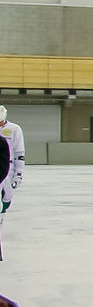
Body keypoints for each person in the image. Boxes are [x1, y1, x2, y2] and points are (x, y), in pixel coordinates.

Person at [0, 106, 22, 261]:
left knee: (7, 198)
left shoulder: (14, 130)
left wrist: (18, 174)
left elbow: (19, 153)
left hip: (7, 169)